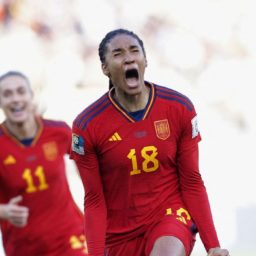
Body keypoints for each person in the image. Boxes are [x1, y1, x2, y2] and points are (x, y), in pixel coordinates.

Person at [70, 28, 230, 256]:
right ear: (105, 68)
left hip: (169, 216)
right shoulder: (87, 125)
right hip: (119, 234)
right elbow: (94, 200)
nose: (128, 58)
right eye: (117, 54)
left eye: (134, 51)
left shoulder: (178, 108)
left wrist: (213, 246)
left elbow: (192, 180)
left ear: (145, 60)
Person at [0, 71, 88, 256]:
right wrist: (3, 211)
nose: (15, 99)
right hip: (24, 246)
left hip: (70, 237)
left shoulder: (60, 131)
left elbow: (89, 160)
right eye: (7, 94)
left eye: (20, 91)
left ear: (32, 95)